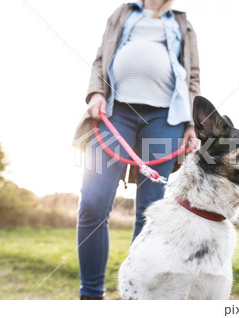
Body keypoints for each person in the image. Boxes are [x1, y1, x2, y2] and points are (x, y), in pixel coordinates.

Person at [72, 0, 200, 299]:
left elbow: (192, 76)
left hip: (166, 117)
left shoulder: (182, 22)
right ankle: (90, 296)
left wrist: (192, 123)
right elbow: (101, 56)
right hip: (115, 112)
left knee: (149, 212)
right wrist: (95, 92)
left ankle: (137, 297)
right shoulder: (123, 12)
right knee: (92, 202)